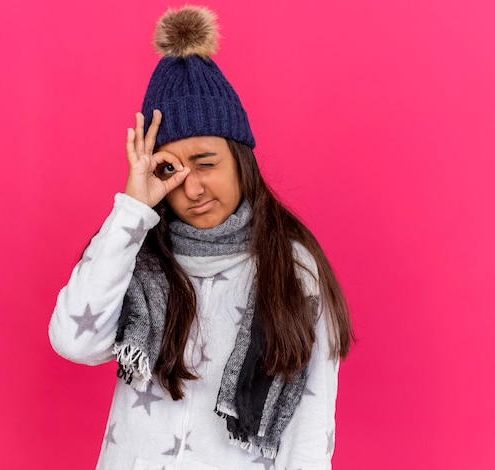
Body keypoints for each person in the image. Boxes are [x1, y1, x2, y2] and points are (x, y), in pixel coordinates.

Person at [49, 5, 354, 470]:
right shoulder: (137, 253)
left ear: (240, 159)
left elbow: (311, 431)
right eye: (169, 168)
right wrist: (132, 211)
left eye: (206, 162)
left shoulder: (293, 270)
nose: (191, 188)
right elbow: (74, 340)